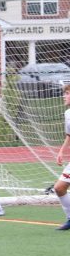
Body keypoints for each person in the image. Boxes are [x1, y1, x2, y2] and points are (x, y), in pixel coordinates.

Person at [53, 84, 70, 230]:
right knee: (59, 188)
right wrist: (61, 152)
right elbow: (69, 135)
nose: (64, 96)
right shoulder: (68, 114)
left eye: (67, 93)